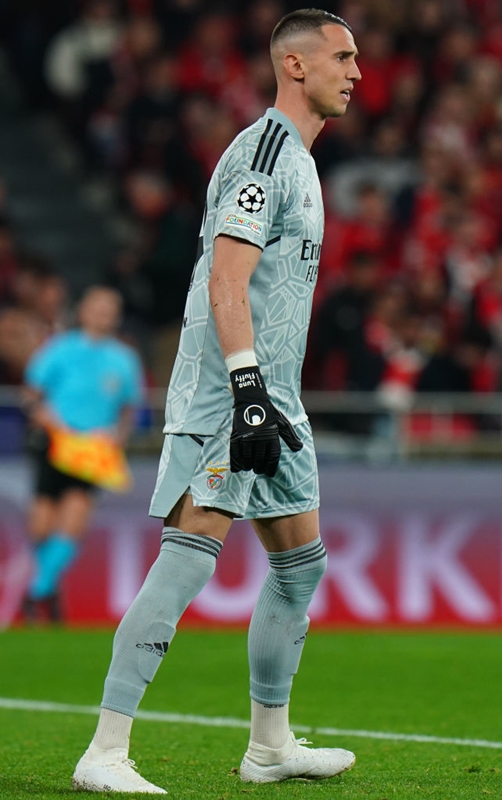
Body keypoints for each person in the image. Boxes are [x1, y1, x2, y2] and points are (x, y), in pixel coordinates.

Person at [73, 9, 362, 793]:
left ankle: (269, 747)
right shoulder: (264, 154)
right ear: (295, 65)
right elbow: (226, 281)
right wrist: (246, 391)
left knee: (299, 567)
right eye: (342, 57)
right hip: (231, 394)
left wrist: (270, 396)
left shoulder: (302, 161)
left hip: (277, 397)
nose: (357, 72)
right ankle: (104, 751)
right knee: (188, 557)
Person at [21, 286, 143, 622]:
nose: (103, 314)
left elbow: (129, 410)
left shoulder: (124, 358)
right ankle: (49, 587)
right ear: (83, 310)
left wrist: (117, 437)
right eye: (97, 307)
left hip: (92, 452)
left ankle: (36, 592)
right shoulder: (59, 348)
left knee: (74, 519)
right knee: (41, 525)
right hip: (54, 444)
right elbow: (31, 395)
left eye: (109, 309)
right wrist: (49, 419)